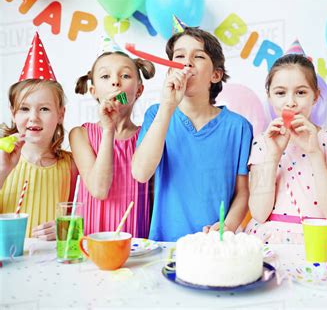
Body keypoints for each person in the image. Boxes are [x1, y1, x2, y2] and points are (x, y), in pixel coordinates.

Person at [132, 26, 253, 241]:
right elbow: (141, 173)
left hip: (214, 245)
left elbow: (242, 192)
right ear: (170, 69)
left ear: (216, 75)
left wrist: (228, 227)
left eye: (198, 56)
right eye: (179, 56)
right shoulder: (157, 114)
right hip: (166, 244)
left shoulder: (239, 127)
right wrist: (168, 106)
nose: (187, 62)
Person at [244, 41, 327, 244]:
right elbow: (258, 213)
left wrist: (314, 152)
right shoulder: (262, 142)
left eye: (301, 92)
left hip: (318, 239)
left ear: (316, 96)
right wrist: (273, 156)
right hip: (270, 240)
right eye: (280, 92)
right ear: (269, 97)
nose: (290, 102)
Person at [71, 37, 155, 237]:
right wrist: (108, 130)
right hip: (94, 242)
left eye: (125, 75)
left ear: (139, 90)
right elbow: (99, 190)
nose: (115, 81)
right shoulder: (80, 134)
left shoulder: (149, 138)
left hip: (137, 243)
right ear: (93, 91)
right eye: (105, 76)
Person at [0, 33, 78, 240]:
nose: (33, 117)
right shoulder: (1, 159)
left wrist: (65, 228)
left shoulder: (71, 166)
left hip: (54, 266)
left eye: (44, 109)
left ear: (61, 114)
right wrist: (3, 171)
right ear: (13, 112)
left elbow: (79, 217)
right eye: (24, 108)